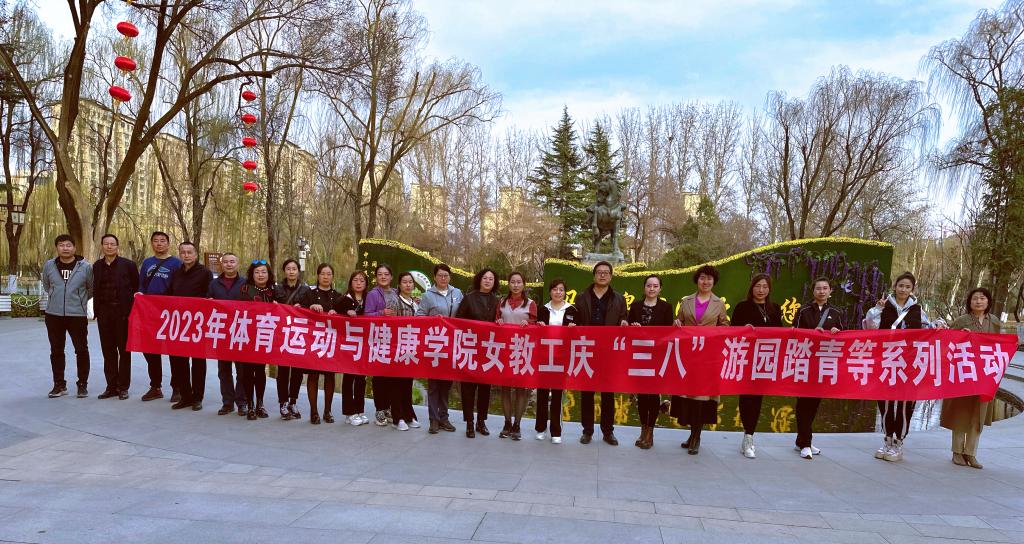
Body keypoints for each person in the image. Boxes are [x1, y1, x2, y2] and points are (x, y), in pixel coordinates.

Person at [863, 271, 930, 462]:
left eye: (908, 287)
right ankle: (887, 440)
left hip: (909, 364)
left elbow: (928, 332)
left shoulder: (918, 310)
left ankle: (898, 442)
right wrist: (877, 309)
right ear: (895, 286)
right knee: (885, 401)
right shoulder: (883, 306)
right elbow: (870, 328)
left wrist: (939, 326)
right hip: (887, 361)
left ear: (912, 289)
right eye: (901, 285)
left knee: (904, 402)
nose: (903, 290)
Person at [672, 264, 730, 455]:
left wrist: (715, 331)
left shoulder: (719, 303)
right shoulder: (686, 301)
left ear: (714, 282)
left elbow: (724, 326)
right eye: (702, 278)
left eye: (709, 279)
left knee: (702, 398)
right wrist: (676, 323)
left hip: (707, 358)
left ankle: (697, 437)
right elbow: (679, 322)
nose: (705, 282)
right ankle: (691, 435)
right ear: (697, 280)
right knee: (689, 398)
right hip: (688, 356)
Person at [942, 287, 1001, 469]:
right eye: (975, 298)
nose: (978, 301)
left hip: (985, 375)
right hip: (964, 373)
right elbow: (947, 342)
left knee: (978, 414)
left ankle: (971, 453)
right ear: (969, 302)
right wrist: (960, 335)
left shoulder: (995, 322)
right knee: (961, 412)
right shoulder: (961, 321)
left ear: (988, 301)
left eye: (982, 298)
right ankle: (957, 451)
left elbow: (999, 345)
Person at [574, 261, 628, 446]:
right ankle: (587, 431)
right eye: (599, 272)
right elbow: (575, 320)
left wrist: (623, 323)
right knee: (587, 393)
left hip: (608, 352)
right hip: (587, 350)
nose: (602, 275)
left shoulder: (619, 299)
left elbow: (623, 318)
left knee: (608, 393)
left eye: (606, 272)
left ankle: (608, 431)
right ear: (594, 275)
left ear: (611, 276)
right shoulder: (581, 297)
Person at [730, 273, 783, 459]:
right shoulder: (742, 307)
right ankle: (748, 436)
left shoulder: (775, 309)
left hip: (765, 361)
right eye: (758, 286)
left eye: (765, 287)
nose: (761, 290)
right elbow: (732, 331)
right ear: (752, 288)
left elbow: (781, 333)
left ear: (769, 289)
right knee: (746, 397)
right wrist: (744, 329)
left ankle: (749, 434)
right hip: (746, 359)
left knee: (757, 398)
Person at [792, 277, 844, 460]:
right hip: (805, 362)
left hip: (824, 363)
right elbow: (794, 333)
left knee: (814, 403)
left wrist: (837, 331)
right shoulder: (803, 310)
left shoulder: (836, 312)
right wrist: (811, 333)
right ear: (813, 291)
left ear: (830, 291)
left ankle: (802, 440)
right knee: (803, 404)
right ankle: (805, 443)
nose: (822, 291)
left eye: (825, 288)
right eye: (818, 288)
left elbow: (845, 335)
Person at [41, 234, 94, 398]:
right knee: (56, 350)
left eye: (68, 245)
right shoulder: (49, 265)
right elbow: (47, 286)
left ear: (74, 248)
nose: (65, 248)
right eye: (61, 245)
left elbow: (91, 288)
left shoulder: (85, 267)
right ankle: (59, 385)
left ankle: (82, 384)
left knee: (81, 350)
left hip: (77, 315)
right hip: (53, 315)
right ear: (57, 247)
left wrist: (78, 301)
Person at [165, 242, 213, 411]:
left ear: (196, 254)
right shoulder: (176, 272)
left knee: (198, 361)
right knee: (179, 361)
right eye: (183, 252)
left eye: (189, 252)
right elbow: (169, 294)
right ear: (179, 254)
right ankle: (185, 396)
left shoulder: (205, 273)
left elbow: (209, 295)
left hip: (198, 323)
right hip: (179, 323)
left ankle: (197, 397)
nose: (186, 255)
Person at [627, 274, 674, 450]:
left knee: (653, 395)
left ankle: (650, 432)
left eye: (655, 286)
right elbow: (628, 330)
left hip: (657, 357)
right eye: (649, 285)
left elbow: (668, 333)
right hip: (639, 356)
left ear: (660, 289)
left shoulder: (666, 308)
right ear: (644, 287)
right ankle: (643, 429)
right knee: (641, 395)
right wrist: (633, 328)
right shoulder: (635, 306)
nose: (652, 289)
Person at [417, 263, 463, 434]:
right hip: (435, 344)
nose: (443, 278)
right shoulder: (427, 296)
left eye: (446, 275)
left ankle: (444, 417)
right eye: (440, 275)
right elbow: (419, 316)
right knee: (434, 384)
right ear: (434, 277)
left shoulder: (457, 293)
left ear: (450, 277)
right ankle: (433, 419)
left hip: (452, 344)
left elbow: (463, 315)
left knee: (446, 383)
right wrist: (432, 319)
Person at [92, 234, 138, 400]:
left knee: (124, 351)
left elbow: (136, 287)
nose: (109, 246)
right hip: (104, 312)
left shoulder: (128, 265)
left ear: (117, 247)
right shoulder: (97, 266)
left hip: (122, 313)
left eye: (112, 244)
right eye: (106, 244)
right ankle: (111, 386)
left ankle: (123, 387)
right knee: (108, 350)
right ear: (102, 246)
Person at [137, 231, 182, 402]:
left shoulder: (176, 263)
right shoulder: (147, 262)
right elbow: (141, 284)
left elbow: (178, 286)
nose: (159, 243)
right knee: (150, 349)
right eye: (155, 241)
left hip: (169, 313)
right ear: (152, 244)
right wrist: (140, 294)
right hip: (149, 312)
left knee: (174, 351)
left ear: (168, 244)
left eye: (162, 241)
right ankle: (155, 386)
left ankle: (177, 387)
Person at [456, 268, 499, 438]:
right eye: (485, 278)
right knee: (468, 387)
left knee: (485, 388)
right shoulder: (469, 298)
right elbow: (458, 321)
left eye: (491, 279)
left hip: (488, 349)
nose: (488, 281)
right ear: (479, 280)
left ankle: (481, 421)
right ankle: (469, 422)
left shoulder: (497, 301)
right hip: (470, 348)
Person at [495, 271, 537, 441]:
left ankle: (517, 424)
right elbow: (496, 321)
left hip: (522, 350)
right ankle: (507, 422)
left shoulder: (531, 304)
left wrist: (529, 323)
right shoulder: (501, 302)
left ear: (524, 284)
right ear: (508, 284)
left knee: (521, 389)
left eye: (519, 282)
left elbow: (537, 325)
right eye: (513, 282)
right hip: (504, 350)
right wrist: (498, 322)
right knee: (505, 388)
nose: (516, 285)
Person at [300, 263, 343, 424]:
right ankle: (314, 411)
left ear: (332, 277)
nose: (326, 277)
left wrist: (337, 313)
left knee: (330, 376)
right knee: (313, 376)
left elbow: (346, 318)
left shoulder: (338, 297)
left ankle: (327, 411)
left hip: (331, 341)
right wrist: (310, 307)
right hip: (313, 340)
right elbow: (298, 311)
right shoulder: (309, 294)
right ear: (318, 276)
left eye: (329, 274)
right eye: (323, 274)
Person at [535, 278, 577, 444]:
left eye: (561, 289)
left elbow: (581, 334)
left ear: (565, 292)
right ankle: (540, 428)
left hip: (562, 357)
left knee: (558, 394)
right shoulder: (543, 309)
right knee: (542, 393)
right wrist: (538, 326)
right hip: (544, 356)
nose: (558, 292)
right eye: (554, 289)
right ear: (550, 291)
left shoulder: (572, 310)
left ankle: (556, 431)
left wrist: (574, 329)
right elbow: (534, 332)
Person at [207, 253, 247, 416]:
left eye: (232, 261)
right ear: (221, 265)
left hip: (241, 331)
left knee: (242, 370)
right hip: (221, 332)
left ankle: (242, 402)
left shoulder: (246, 283)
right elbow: (206, 304)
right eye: (226, 262)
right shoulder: (214, 284)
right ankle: (227, 402)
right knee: (224, 370)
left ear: (238, 264)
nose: (229, 264)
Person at [236, 259, 276, 420]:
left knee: (260, 371)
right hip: (248, 336)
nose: (260, 275)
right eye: (257, 272)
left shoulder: (274, 291)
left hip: (265, 336)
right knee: (247, 372)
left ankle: (260, 403)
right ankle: (250, 405)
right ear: (252, 274)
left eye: (263, 272)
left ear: (268, 274)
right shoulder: (245, 289)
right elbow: (239, 311)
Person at [274, 259, 310, 420]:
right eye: (288, 268)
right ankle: (282, 403)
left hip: (298, 334)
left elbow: (311, 309)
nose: (291, 271)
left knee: (297, 371)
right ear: (284, 271)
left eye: (294, 269)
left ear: (298, 271)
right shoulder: (277, 289)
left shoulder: (305, 290)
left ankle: (293, 402)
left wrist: (303, 308)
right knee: (282, 371)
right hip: (281, 334)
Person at [364, 264, 399, 427]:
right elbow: (366, 316)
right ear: (376, 277)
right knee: (379, 377)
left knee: (391, 376)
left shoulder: (396, 293)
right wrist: (381, 313)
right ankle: (379, 409)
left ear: (391, 277)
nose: (383, 277)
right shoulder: (373, 294)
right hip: (378, 340)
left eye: (386, 274)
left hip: (394, 340)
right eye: (380, 274)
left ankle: (388, 408)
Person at [336, 270, 369, 426]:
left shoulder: (369, 299)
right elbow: (332, 313)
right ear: (351, 282)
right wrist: (344, 312)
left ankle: (359, 410)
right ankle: (349, 412)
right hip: (348, 344)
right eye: (356, 280)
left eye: (362, 280)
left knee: (361, 378)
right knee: (349, 378)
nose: (359, 283)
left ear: (366, 284)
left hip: (364, 344)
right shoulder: (344, 299)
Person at [390, 272, 422, 431]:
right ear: (399, 285)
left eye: (410, 282)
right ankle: (398, 417)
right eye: (404, 282)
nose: (408, 285)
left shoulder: (415, 303)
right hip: (397, 348)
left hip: (411, 348)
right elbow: (390, 324)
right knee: (397, 383)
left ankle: (409, 415)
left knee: (408, 383)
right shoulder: (395, 301)